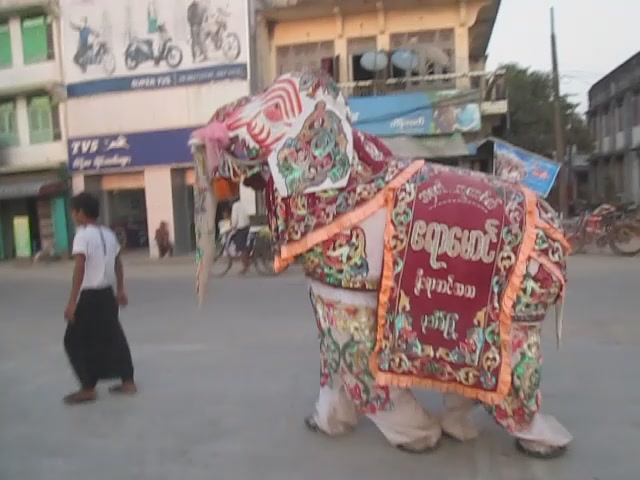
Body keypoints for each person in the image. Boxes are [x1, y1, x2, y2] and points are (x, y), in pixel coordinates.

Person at [63, 193, 137, 405]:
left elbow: (80, 266)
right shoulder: (108, 233)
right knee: (113, 336)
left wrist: (72, 301)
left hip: (90, 295)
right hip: (106, 293)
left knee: (73, 340)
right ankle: (128, 380)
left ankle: (87, 387)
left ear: (81, 213)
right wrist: (120, 289)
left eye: (73, 211)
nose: (72, 215)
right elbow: (118, 262)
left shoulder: (82, 235)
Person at [230, 198, 251, 274]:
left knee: (241, 248)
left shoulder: (235, 205)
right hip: (247, 226)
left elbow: (234, 219)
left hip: (240, 228)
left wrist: (232, 226)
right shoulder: (244, 203)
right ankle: (247, 262)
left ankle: (245, 266)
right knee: (244, 246)